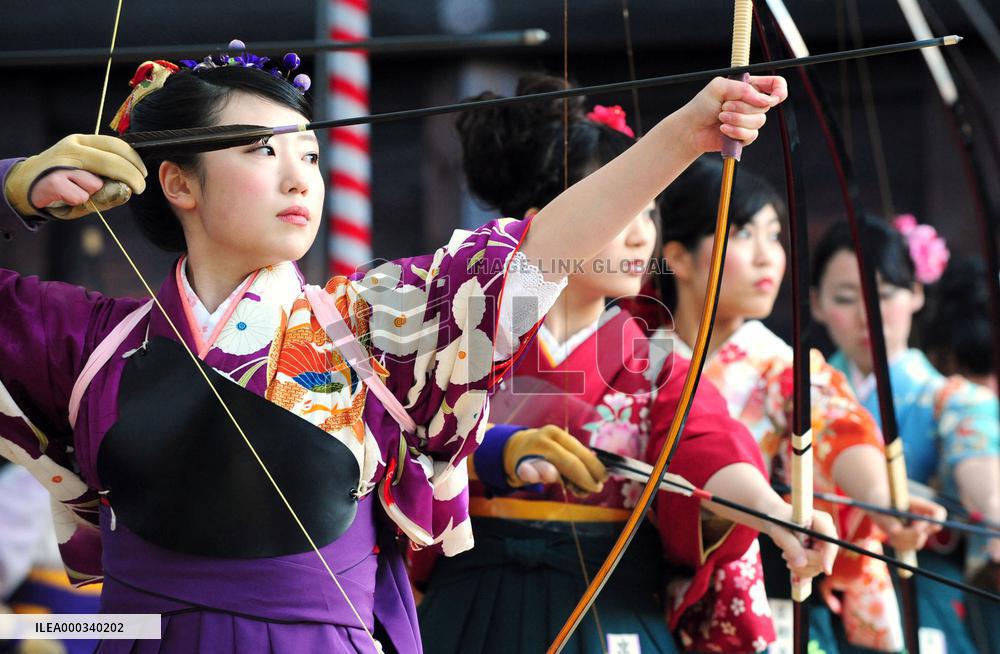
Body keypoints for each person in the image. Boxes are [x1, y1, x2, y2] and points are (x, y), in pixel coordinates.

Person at [0, 40, 789, 653]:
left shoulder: (371, 324)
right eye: (262, 151)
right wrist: (11, 186)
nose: (300, 179)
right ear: (178, 183)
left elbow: (536, 253)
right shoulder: (88, 341)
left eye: (310, 155)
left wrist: (683, 134)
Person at [414, 75, 836, 654]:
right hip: (475, 597)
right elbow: (406, 438)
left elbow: (703, 443)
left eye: (650, 213)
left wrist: (774, 513)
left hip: (606, 599)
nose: (642, 238)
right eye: (621, 212)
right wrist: (498, 450)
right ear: (549, 221)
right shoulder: (467, 339)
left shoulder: (654, 355)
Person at [635, 157, 946, 653]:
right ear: (680, 257)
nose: (768, 257)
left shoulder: (781, 366)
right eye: (743, 234)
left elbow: (837, 424)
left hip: (766, 605)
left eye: (774, 235)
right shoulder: (635, 359)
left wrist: (884, 500)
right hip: (638, 601)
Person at [811, 214, 999, 654]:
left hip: (917, 588)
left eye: (884, 295)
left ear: (916, 293)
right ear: (816, 304)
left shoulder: (953, 400)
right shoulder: (798, 391)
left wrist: (993, 511)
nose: (866, 316)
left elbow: (983, 476)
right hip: (816, 586)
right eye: (845, 298)